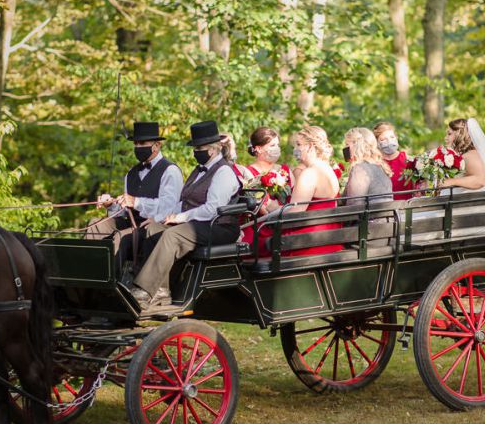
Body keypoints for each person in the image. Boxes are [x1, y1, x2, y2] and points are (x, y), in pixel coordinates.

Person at [130, 120, 242, 308]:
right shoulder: (198, 171)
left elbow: (212, 209)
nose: (195, 152)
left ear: (212, 150)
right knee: (153, 230)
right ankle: (161, 290)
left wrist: (180, 218)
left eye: (199, 148)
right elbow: (183, 203)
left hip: (220, 226)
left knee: (172, 235)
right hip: (199, 223)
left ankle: (145, 289)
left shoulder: (223, 172)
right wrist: (160, 218)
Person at [90, 121, 183, 270]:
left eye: (142, 143)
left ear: (157, 145)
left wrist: (137, 202)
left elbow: (169, 208)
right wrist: (111, 204)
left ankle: (111, 280)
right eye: (136, 144)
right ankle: (87, 273)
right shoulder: (131, 174)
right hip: (131, 223)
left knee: (120, 237)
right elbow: (126, 211)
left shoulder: (170, 171)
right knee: (95, 224)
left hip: (154, 226)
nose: (138, 147)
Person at [282, 126, 342, 257]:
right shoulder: (328, 169)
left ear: (310, 146)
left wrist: (275, 215)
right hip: (331, 236)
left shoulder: (309, 173)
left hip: (310, 239)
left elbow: (295, 213)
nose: (295, 148)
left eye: (299, 144)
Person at [239, 127, 292, 255]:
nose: (277, 149)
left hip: (287, 223)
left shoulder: (285, 170)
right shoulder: (248, 173)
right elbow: (262, 209)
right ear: (258, 148)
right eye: (272, 145)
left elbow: (294, 199)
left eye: (278, 145)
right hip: (262, 226)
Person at [440, 118, 485, 192]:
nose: (445, 138)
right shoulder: (466, 155)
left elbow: (479, 181)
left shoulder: (470, 155)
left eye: (449, 134)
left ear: (459, 134)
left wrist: (451, 181)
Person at [342, 127, 393, 207]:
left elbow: (354, 206)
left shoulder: (360, 169)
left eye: (347, 145)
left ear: (357, 145)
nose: (346, 149)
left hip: (370, 215)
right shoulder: (380, 166)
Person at [373, 121, 415, 197]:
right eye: (383, 139)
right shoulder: (375, 163)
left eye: (392, 137)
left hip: (407, 203)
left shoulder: (409, 160)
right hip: (384, 204)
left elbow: (418, 185)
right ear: (377, 142)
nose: (389, 141)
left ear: (396, 138)